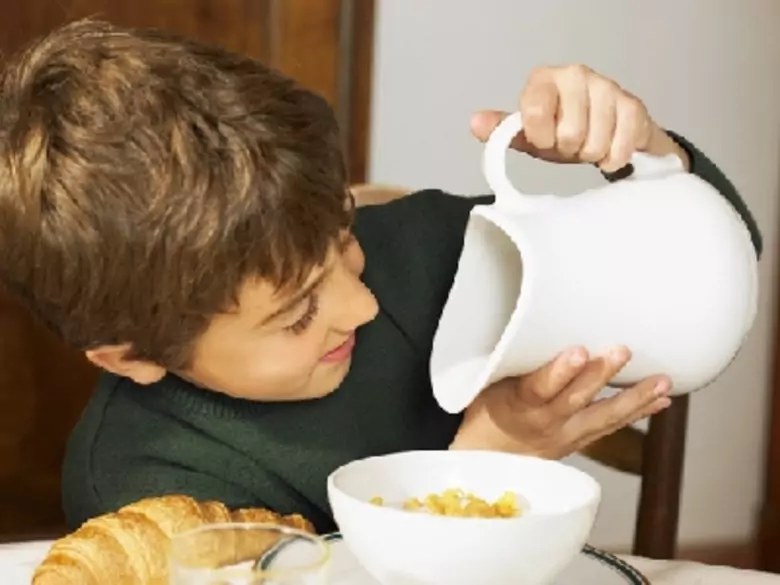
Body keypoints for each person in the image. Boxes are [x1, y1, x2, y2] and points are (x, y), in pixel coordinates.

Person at [0, 20, 761, 533]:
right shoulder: (142, 491)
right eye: (296, 313)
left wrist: (649, 159)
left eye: (343, 236)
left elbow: (715, 271)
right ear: (129, 352)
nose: (360, 303)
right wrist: (480, 474)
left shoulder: (427, 249)